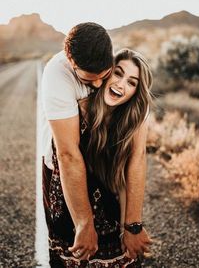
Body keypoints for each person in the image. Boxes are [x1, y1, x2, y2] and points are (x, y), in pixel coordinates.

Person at [43, 48, 153, 267]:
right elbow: (65, 159)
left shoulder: (133, 117)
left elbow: (134, 164)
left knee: (120, 257)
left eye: (132, 83)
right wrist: (83, 223)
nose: (121, 85)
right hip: (67, 187)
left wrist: (131, 226)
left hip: (109, 197)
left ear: (136, 92)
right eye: (118, 73)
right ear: (106, 73)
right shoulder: (77, 109)